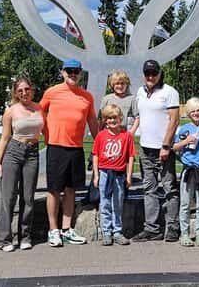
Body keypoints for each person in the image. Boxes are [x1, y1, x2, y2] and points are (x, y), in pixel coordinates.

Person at [39, 59, 98, 247]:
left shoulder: (87, 97)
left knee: (71, 190)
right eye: (69, 71)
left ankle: (66, 229)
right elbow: (38, 113)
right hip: (56, 147)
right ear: (62, 72)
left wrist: (101, 142)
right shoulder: (52, 92)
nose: (73, 74)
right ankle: (53, 230)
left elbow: (93, 122)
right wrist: (46, 133)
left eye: (76, 71)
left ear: (81, 73)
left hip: (76, 148)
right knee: (54, 190)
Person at [132, 59, 181, 242]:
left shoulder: (169, 92)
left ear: (160, 73)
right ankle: (151, 228)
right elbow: (140, 117)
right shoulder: (140, 92)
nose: (150, 77)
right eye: (147, 73)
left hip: (163, 149)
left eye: (154, 73)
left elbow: (174, 121)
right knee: (149, 189)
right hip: (145, 148)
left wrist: (166, 146)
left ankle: (172, 227)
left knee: (169, 189)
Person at [0, 77, 43, 252]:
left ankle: (25, 236)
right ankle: (5, 240)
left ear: (32, 90)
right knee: (8, 197)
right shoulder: (11, 111)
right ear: (16, 93)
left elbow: (48, 130)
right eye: (20, 90)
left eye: (27, 89)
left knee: (28, 197)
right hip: (13, 152)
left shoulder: (39, 108)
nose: (24, 93)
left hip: (32, 153)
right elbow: (5, 137)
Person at [172, 97, 199, 247]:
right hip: (188, 170)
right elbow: (175, 147)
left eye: (198, 110)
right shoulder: (184, 129)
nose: (196, 113)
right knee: (185, 203)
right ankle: (184, 233)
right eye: (193, 111)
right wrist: (186, 141)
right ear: (189, 113)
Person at [92, 104, 135, 246]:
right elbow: (96, 155)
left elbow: (130, 156)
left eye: (115, 117)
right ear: (105, 120)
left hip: (119, 174)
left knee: (117, 202)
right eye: (109, 118)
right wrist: (96, 175)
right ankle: (106, 232)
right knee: (104, 203)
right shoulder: (101, 135)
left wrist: (129, 176)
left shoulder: (126, 136)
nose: (112, 121)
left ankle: (117, 231)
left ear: (120, 118)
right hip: (105, 173)